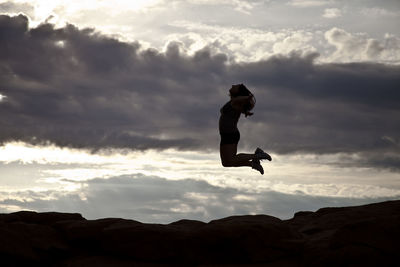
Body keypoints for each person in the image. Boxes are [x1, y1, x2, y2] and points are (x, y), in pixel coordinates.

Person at [219, 84, 271, 174]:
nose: (232, 85)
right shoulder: (234, 102)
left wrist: (248, 97)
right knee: (226, 163)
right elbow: (238, 105)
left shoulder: (235, 101)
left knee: (231, 159)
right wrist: (245, 111)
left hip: (230, 134)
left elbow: (239, 100)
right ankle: (253, 164)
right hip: (226, 135)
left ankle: (257, 155)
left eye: (236, 86)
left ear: (238, 92)